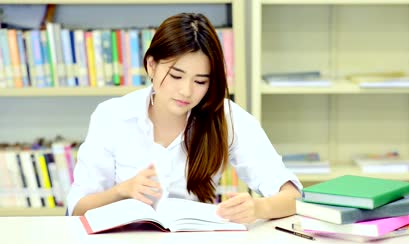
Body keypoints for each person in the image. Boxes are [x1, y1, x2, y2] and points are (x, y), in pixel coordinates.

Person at [67, 13, 302, 224]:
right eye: (176, 76)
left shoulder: (227, 117)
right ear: (151, 65)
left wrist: (259, 207)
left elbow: (293, 197)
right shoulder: (112, 115)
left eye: (200, 81)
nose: (186, 92)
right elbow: (77, 209)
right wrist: (122, 191)